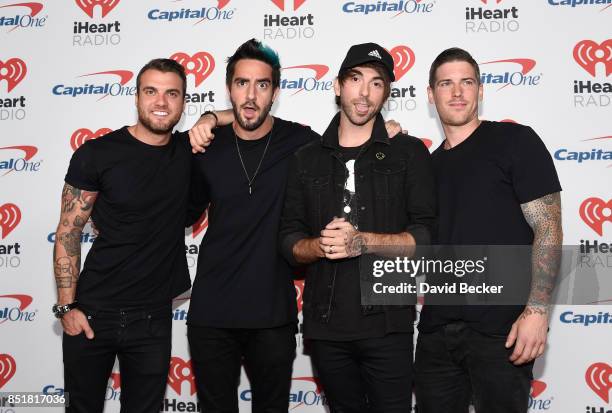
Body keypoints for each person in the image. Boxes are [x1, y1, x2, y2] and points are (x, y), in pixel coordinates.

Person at [278, 42, 436, 412]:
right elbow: (287, 240)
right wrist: (319, 246)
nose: (364, 93)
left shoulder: (409, 153)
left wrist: (362, 241)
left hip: (388, 323)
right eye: (355, 79)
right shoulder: (305, 158)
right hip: (325, 325)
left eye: (377, 83)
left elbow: (426, 239)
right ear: (337, 86)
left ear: (386, 93)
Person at [414, 47, 563, 413]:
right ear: (431, 96)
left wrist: (537, 311)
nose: (457, 92)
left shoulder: (515, 142)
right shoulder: (425, 168)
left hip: (502, 331)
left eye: (467, 82)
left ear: (480, 90)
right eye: (446, 84)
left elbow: (548, 228)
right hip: (436, 334)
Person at [53, 59, 193, 412]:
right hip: (92, 312)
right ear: (136, 97)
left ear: (183, 102)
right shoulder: (97, 154)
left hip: (152, 318)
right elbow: (68, 232)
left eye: (171, 93)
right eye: (151, 91)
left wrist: (209, 118)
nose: (161, 102)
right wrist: (67, 306)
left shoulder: (189, 152)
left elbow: (235, 114)